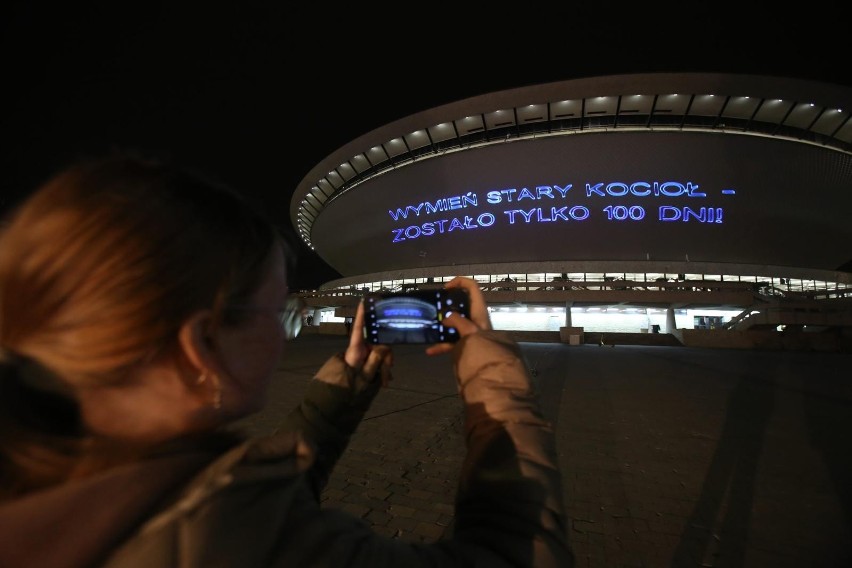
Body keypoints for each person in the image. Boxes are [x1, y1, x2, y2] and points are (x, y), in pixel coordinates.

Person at [0, 154, 572, 567]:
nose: (282, 339)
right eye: (273, 314)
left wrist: (342, 393)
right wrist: (495, 378)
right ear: (202, 345)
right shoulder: (231, 539)